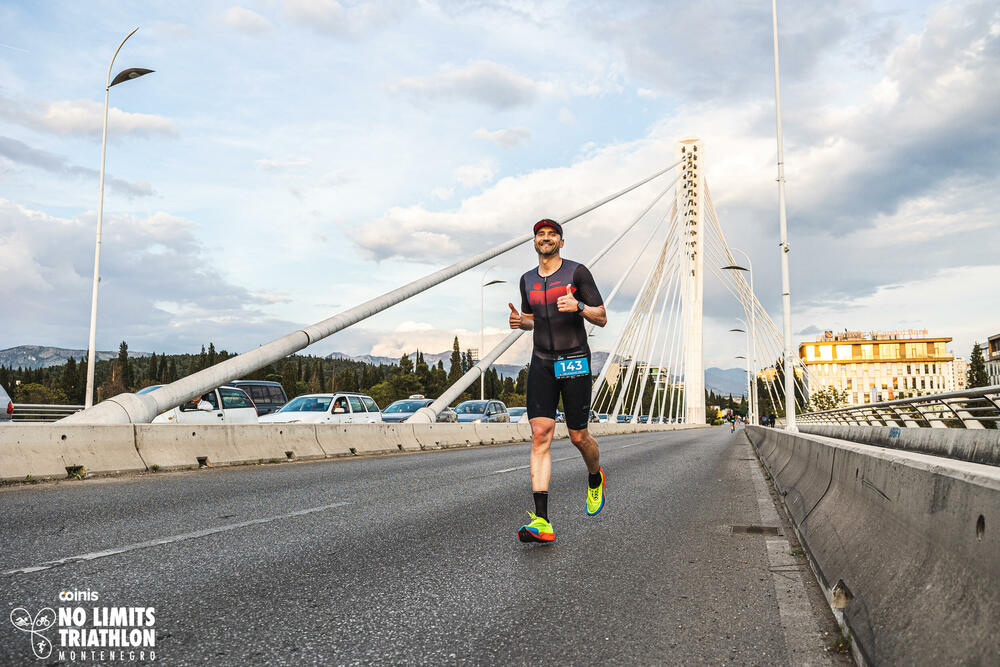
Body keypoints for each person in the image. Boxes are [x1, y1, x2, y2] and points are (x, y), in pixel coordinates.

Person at [508, 218, 608, 543]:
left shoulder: (577, 273)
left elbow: (602, 316)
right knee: (540, 435)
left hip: (574, 360)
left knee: (579, 437)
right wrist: (520, 321)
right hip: (541, 363)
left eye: (552, 234)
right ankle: (542, 521)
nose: (546, 238)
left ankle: (595, 477)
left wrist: (579, 306)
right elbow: (534, 320)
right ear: (534, 242)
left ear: (561, 242)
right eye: (541, 234)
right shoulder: (526, 280)